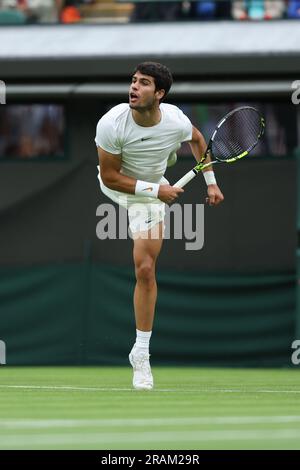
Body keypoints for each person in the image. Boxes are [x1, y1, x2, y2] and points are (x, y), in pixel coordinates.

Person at [95, 62, 224, 391]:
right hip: (120, 186)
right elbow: (110, 176)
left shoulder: (176, 120)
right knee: (146, 174)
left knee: (146, 269)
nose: (134, 87)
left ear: (160, 94)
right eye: (133, 81)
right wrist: (157, 190)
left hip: (148, 195)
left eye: (144, 83)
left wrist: (210, 182)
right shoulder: (111, 123)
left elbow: (197, 140)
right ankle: (162, 162)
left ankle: (140, 354)